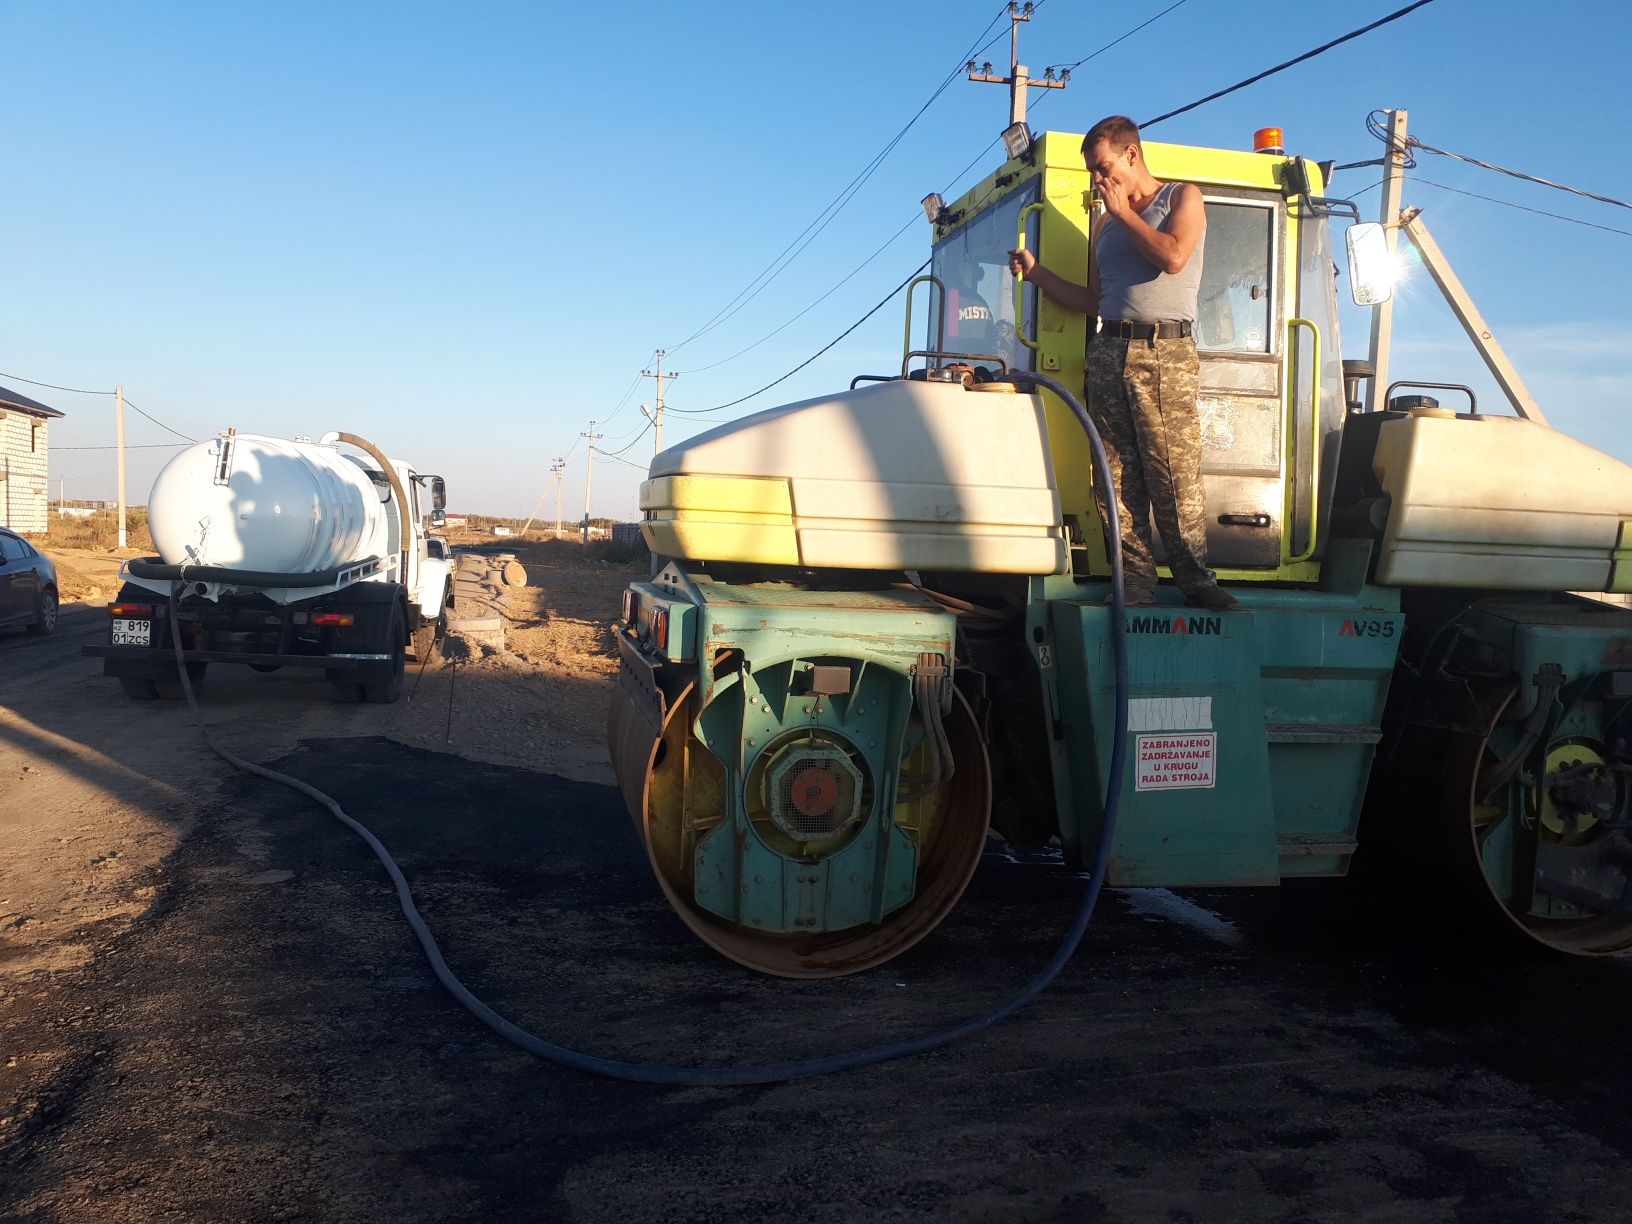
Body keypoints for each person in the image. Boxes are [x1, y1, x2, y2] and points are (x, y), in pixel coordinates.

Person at [1009, 114, 1237, 611]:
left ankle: (1196, 580)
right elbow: (1098, 300)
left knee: (1172, 471)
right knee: (1115, 474)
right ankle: (1134, 582)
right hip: (1109, 349)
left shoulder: (1181, 198)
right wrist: (1039, 274)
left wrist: (1126, 214)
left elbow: (1173, 257)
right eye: (1093, 170)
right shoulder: (1108, 227)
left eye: (1103, 166)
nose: (1098, 178)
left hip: (1165, 351)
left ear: (1131, 155)